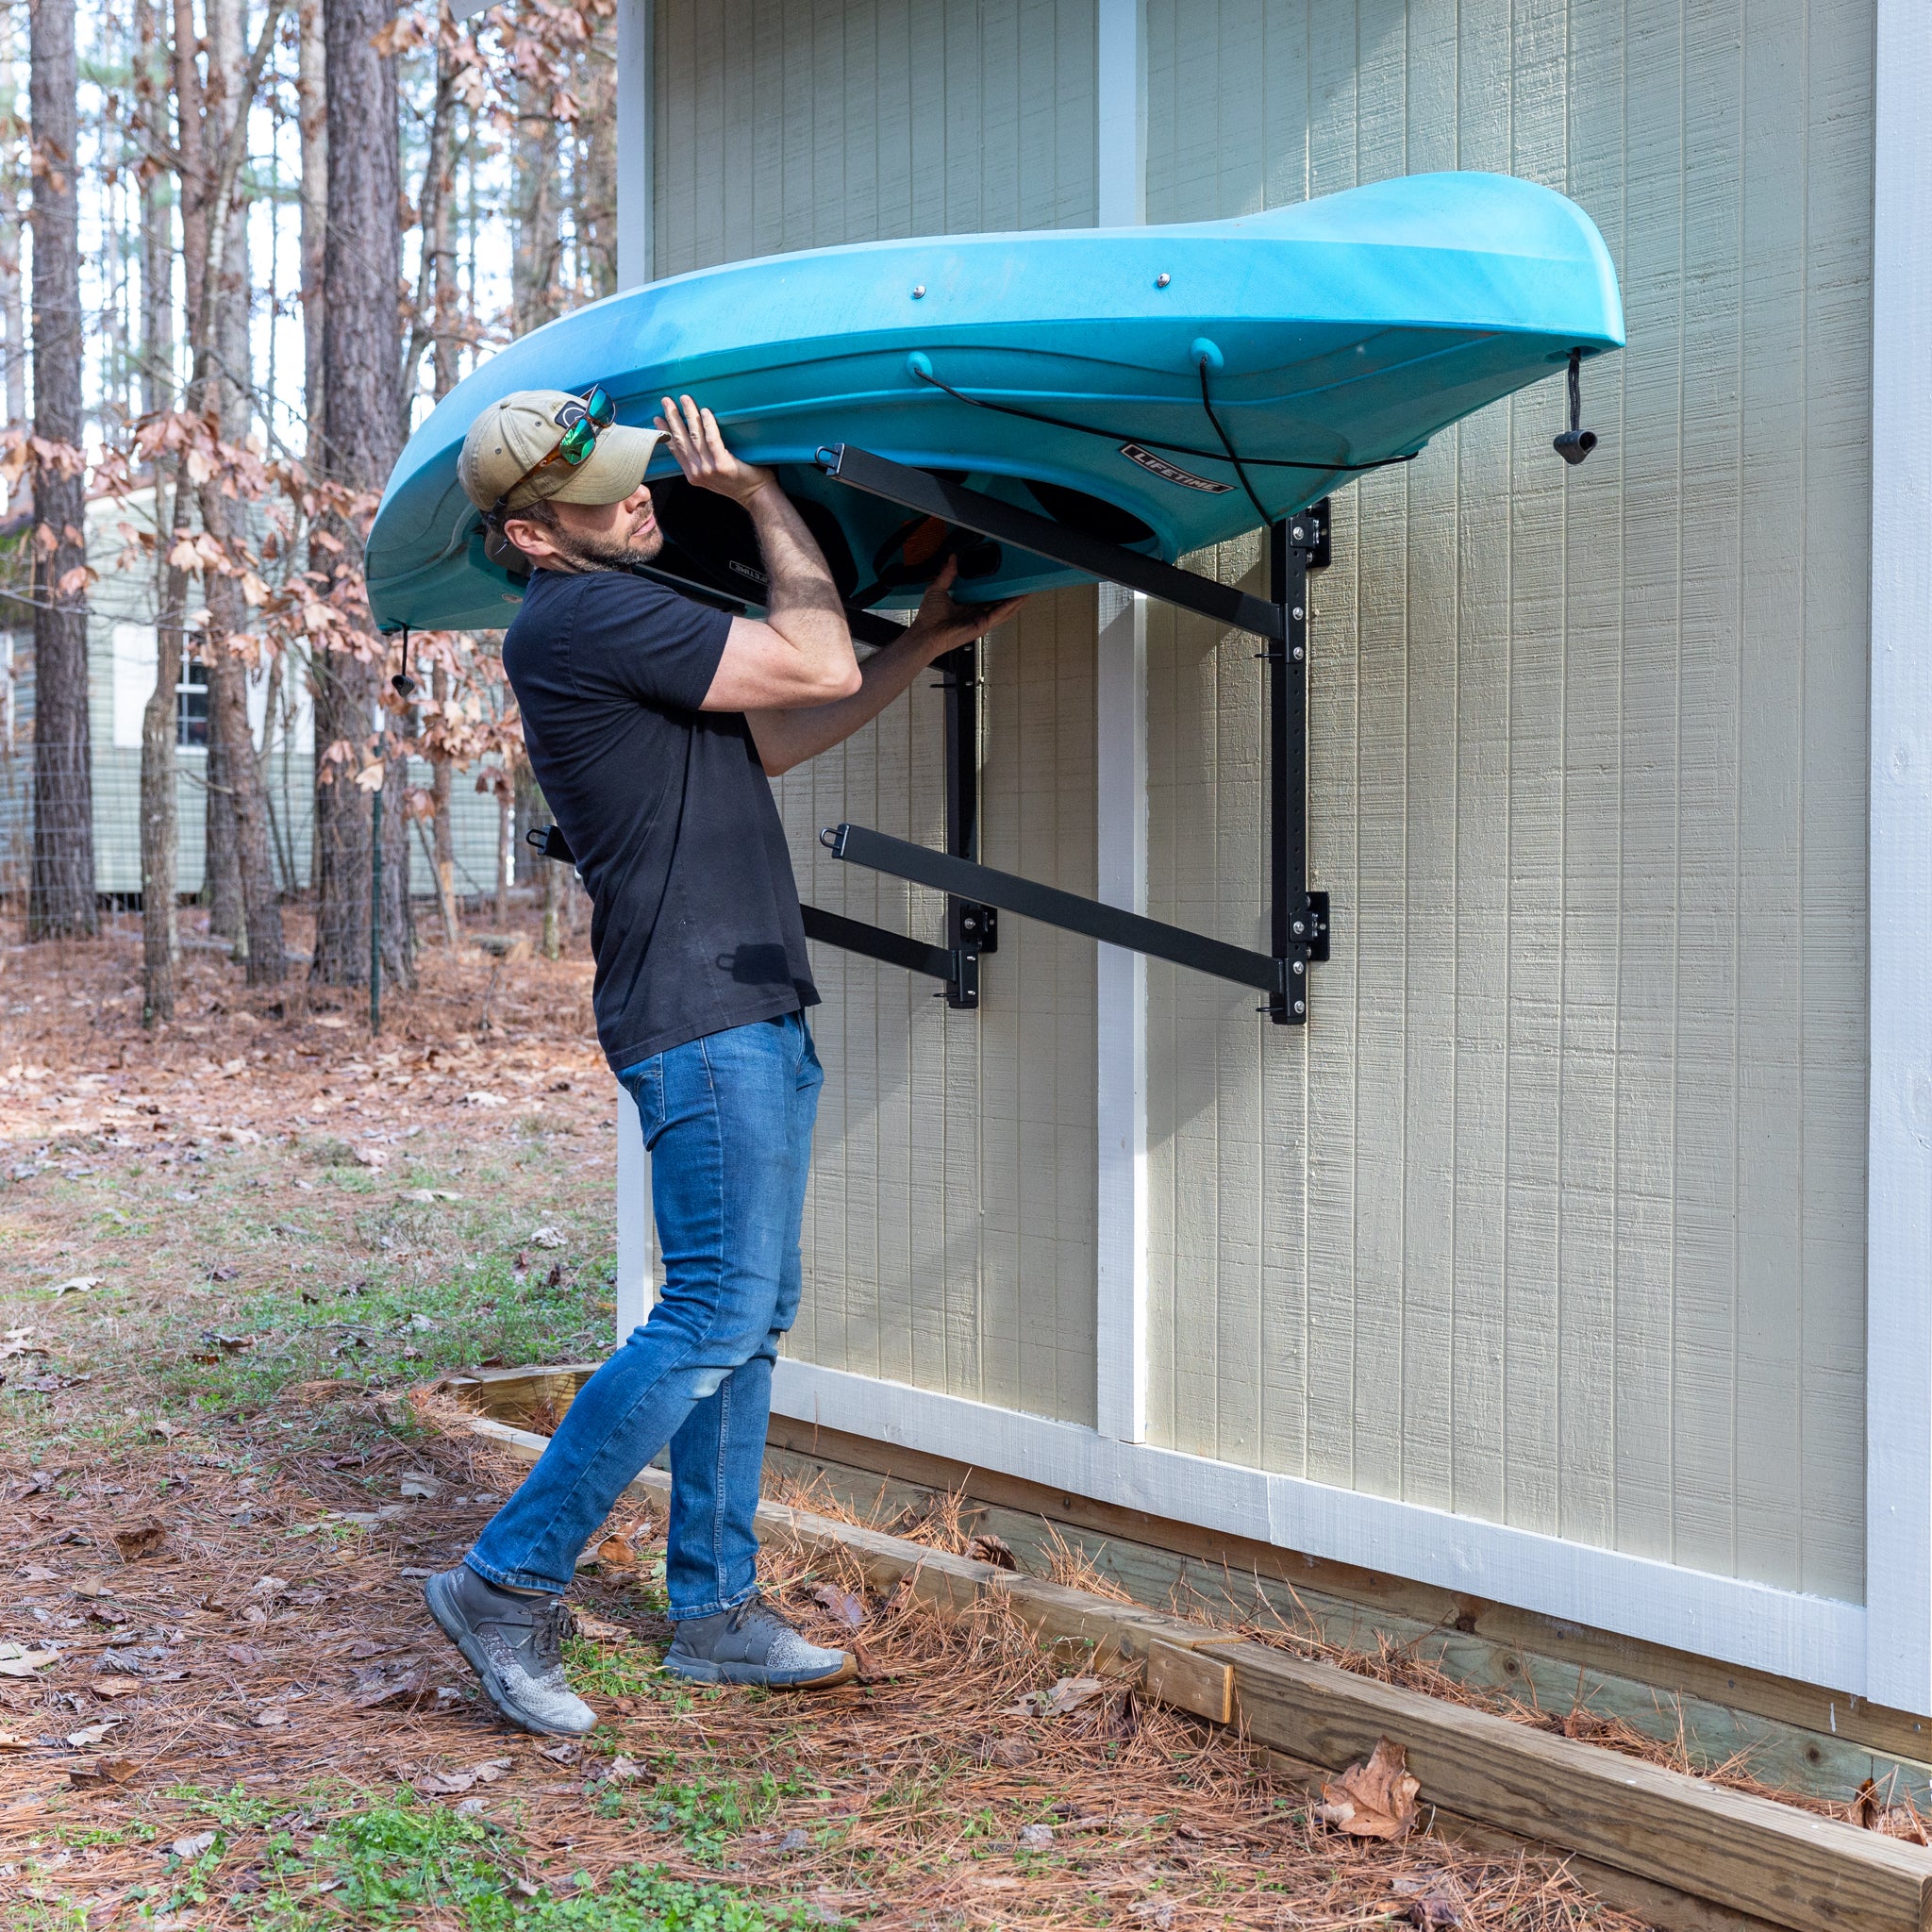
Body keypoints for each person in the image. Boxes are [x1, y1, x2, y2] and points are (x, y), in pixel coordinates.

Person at [422, 385, 1021, 1735]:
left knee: (748, 1317)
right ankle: (503, 1585)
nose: (643, 495)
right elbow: (805, 658)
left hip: (743, 1004)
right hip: (700, 1016)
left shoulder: (612, 625)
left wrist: (920, 642)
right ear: (536, 538)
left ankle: (714, 1611)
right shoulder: (586, 613)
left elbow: (777, 731)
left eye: (644, 474)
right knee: (710, 1313)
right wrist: (757, 495)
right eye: (611, 492)